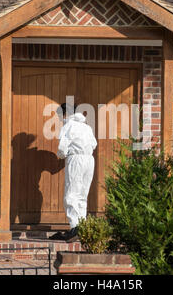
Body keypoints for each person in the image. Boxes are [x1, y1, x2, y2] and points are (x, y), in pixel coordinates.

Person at [50, 103, 97, 242]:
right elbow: (94, 144)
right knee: (82, 195)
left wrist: (60, 155)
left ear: (65, 114)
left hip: (76, 159)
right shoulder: (87, 127)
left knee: (71, 194)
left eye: (60, 116)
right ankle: (82, 227)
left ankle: (75, 227)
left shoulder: (68, 126)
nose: (60, 119)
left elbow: (63, 148)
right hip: (89, 159)